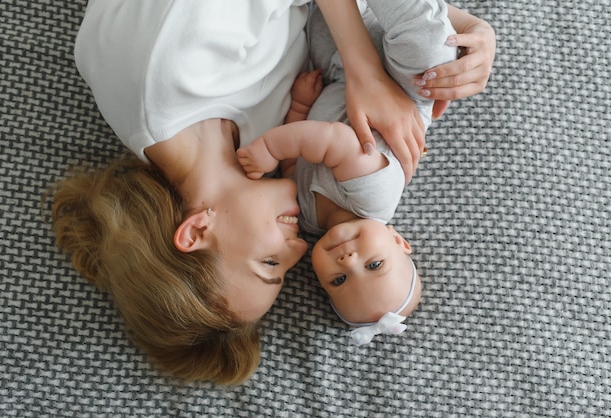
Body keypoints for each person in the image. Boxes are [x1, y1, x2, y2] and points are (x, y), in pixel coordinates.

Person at [50, 0, 496, 384]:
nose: (301, 248)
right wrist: (468, 33)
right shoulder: (258, 145)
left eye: (269, 263)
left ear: (196, 231)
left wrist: (365, 72)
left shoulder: (169, 69)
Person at [237, 0, 474, 344]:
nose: (348, 261)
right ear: (398, 240)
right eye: (374, 265)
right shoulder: (374, 199)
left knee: (318, 21)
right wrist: (270, 149)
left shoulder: (305, 219)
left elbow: (293, 167)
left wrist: (301, 106)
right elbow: (333, 141)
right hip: (404, 87)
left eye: (339, 280)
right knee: (431, 55)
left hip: (337, 72)